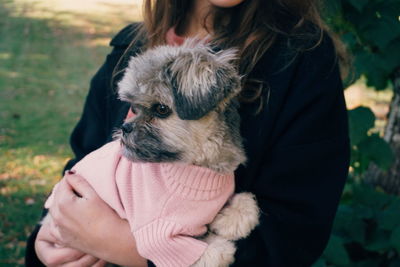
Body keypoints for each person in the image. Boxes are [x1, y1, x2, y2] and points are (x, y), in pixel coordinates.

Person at [25, 0, 350, 266]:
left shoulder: (300, 61)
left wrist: (130, 249)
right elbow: (84, 165)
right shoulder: (128, 49)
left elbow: (292, 235)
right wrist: (45, 242)